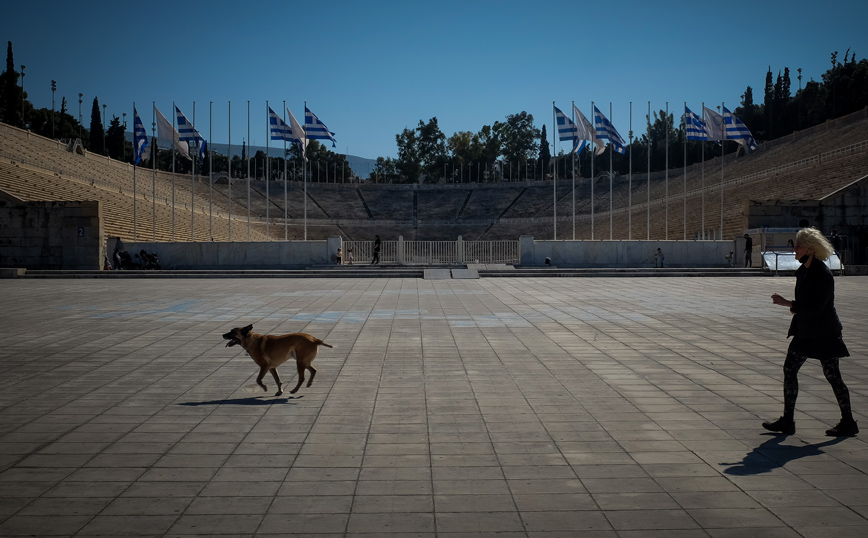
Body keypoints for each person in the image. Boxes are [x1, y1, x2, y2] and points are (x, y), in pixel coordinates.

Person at [763, 227, 858, 437]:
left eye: (798, 246)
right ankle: (787, 421)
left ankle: (848, 422)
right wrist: (794, 307)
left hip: (825, 333)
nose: (794, 249)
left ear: (811, 249)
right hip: (805, 332)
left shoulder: (822, 274)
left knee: (833, 376)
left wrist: (789, 304)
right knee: (789, 370)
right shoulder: (804, 270)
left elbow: (818, 308)